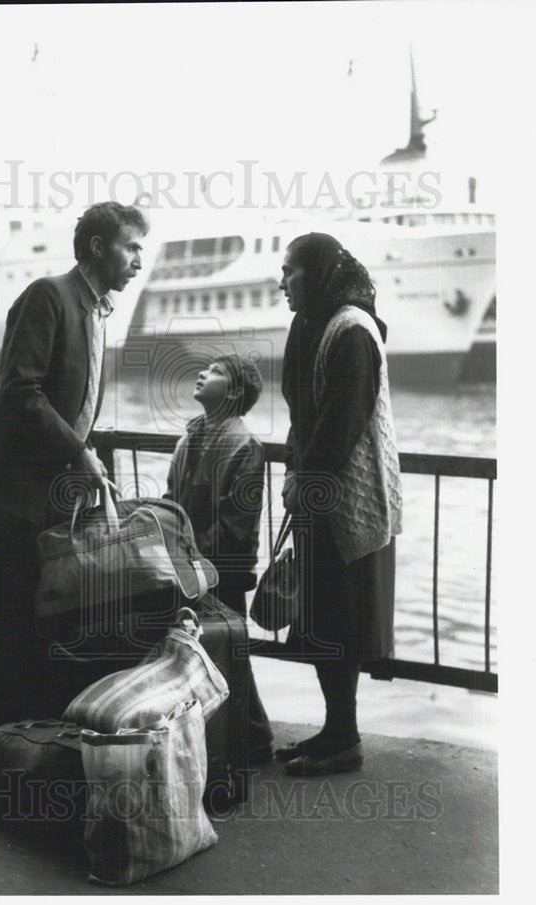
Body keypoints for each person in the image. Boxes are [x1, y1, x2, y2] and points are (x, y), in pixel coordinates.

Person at [0, 202, 148, 770]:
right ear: (97, 247)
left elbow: (71, 396)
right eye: (131, 247)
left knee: (40, 613)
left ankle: (22, 745)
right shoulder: (50, 296)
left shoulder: (97, 309)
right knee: (6, 615)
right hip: (16, 485)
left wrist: (79, 456)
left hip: (50, 486)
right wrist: (80, 452)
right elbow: (22, 390)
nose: (140, 258)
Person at [275, 232, 403, 776]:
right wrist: (294, 471)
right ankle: (335, 730)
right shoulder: (313, 324)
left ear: (319, 272)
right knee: (325, 616)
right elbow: (305, 414)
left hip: (346, 497)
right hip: (319, 491)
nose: (283, 282)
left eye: (291, 271)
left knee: (339, 618)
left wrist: (304, 480)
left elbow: (339, 424)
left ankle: (344, 739)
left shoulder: (350, 330)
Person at [164, 354, 274, 762]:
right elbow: (173, 499)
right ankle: (248, 736)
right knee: (220, 653)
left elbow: (236, 524)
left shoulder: (245, 446)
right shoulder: (193, 435)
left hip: (220, 569)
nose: (202, 373)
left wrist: (191, 556)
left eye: (215, 372)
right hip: (192, 563)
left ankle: (253, 738)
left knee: (226, 653)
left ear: (234, 392)